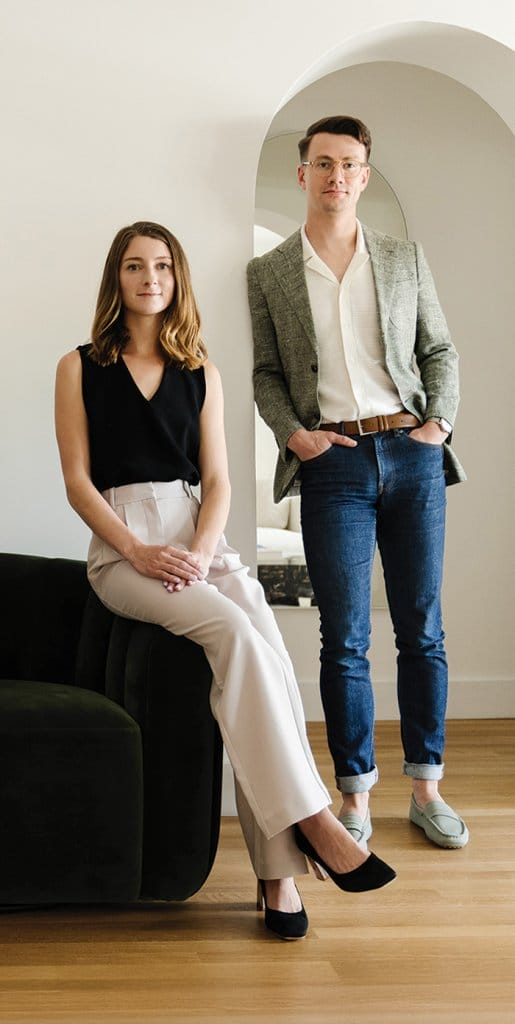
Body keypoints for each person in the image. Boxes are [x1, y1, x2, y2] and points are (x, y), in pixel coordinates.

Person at [54, 220, 395, 942]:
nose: (151, 280)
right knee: (236, 632)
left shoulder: (199, 370)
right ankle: (313, 821)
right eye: (136, 268)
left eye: (163, 268)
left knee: (263, 660)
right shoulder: (79, 366)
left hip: (197, 538)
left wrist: (202, 550)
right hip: (123, 550)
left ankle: (278, 877)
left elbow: (216, 480)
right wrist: (138, 552)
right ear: (116, 280)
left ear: (177, 281)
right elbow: (78, 484)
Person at [247, 116, 469, 852]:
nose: (335, 176)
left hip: (410, 454)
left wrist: (436, 423)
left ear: (363, 176)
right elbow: (268, 373)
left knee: (421, 627)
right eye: (322, 164)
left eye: (349, 165)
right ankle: (354, 797)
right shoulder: (270, 272)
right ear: (303, 173)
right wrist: (295, 435)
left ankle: (427, 788)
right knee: (342, 639)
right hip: (333, 464)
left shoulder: (403, 259)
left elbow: (438, 347)